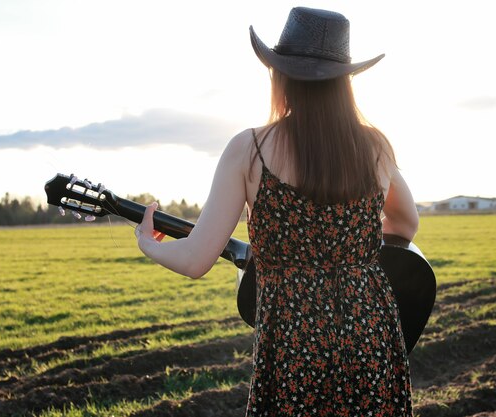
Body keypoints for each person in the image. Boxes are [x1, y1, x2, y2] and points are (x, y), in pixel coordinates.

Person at [135, 6, 419, 416]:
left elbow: (197, 258)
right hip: (369, 332)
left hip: (292, 344)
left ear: (279, 75)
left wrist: (149, 243)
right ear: (345, 83)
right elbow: (406, 224)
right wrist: (348, 251)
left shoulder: (249, 150)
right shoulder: (375, 146)